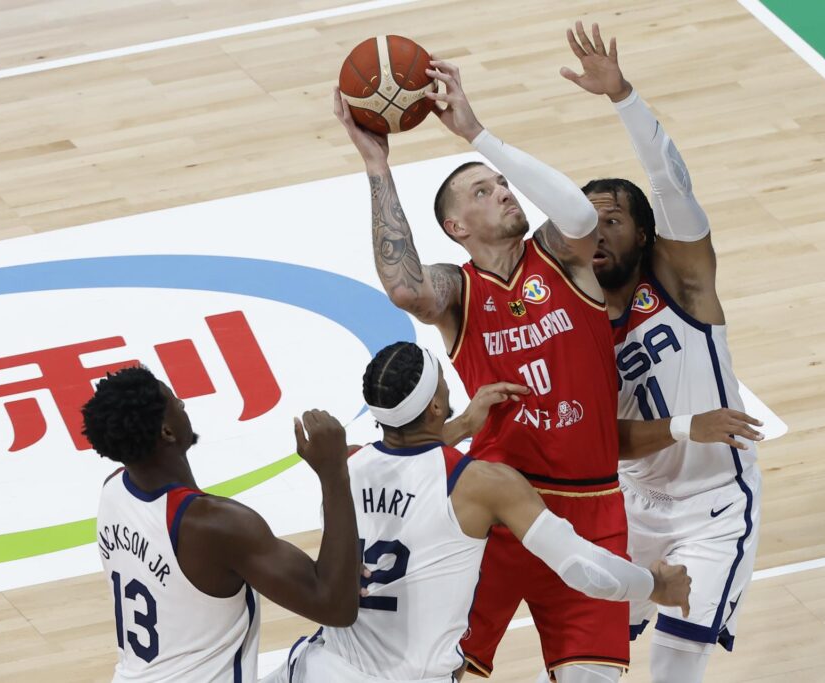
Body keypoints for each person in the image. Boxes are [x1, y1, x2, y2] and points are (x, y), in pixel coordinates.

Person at [334, 55, 635, 682]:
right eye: (481, 191)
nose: (501, 192)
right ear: (456, 226)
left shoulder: (561, 258)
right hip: (490, 510)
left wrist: (475, 133)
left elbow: (579, 215)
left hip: (594, 507)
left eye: (501, 184)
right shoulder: (459, 291)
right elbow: (404, 285)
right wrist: (376, 165)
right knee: (440, 672)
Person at [264, 342, 691, 683]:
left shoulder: (344, 465)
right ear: (434, 406)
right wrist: (655, 585)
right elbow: (584, 569)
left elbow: (407, 463)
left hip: (320, 669)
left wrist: (466, 424)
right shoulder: (485, 485)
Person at [560, 22, 765, 683]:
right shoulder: (573, 321)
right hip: (631, 506)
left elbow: (672, 184)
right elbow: (605, 441)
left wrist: (624, 98)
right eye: (587, 221)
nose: (597, 231)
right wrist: (685, 425)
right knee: (583, 662)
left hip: (714, 504)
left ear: (644, 235)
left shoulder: (683, 283)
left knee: (675, 668)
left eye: (612, 219)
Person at [83, 366, 360, 682]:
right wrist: (333, 471)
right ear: (167, 432)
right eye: (174, 400)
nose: (183, 403)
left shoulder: (113, 490)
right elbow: (336, 606)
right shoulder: (215, 527)